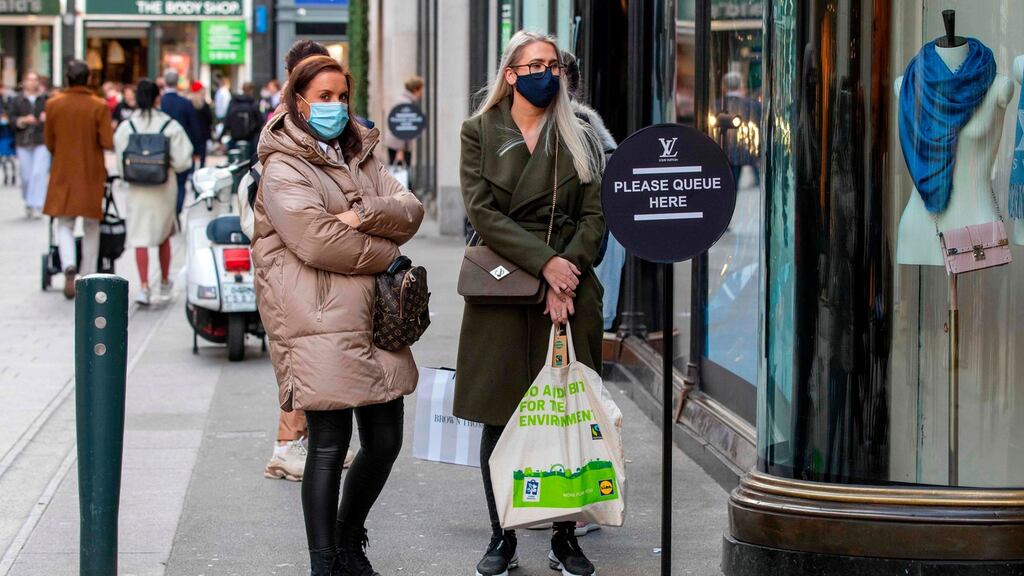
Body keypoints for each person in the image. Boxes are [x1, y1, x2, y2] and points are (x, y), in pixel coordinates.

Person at [252, 55, 424, 576]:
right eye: (324, 97)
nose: (335, 107)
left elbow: (409, 208)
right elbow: (315, 240)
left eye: (342, 96)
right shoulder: (282, 166)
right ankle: (324, 562)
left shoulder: (362, 151)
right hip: (318, 319)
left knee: (386, 440)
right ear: (297, 101)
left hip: (375, 318)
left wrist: (361, 214)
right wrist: (388, 254)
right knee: (329, 445)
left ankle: (350, 541)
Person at [454, 31, 606, 576]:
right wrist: (545, 267)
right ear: (511, 73)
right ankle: (503, 537)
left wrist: (566, 277)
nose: (548, 73)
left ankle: (566, 537)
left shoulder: (580, 131)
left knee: (567, 413)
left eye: (554, 65)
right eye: (535, 64)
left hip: (569, 286)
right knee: (501, 415)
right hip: (504, 285)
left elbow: (596, 214)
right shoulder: (479, 131)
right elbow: (482, 213)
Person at [261, 38, 334, 484]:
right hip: (291, 261)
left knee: (313, 356)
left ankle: (307, 442)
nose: (330, 102)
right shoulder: (283, 127)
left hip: (309, 259)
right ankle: (287, 446)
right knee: (297, 356)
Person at [115, 79, 194, 306]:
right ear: (157, 98)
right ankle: (165, 281)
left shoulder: (126, 127)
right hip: (163, 186)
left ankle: (143, 286)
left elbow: (121, 164)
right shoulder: (169, 125)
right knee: (163, 235)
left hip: (137, 188)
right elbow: (182, 161)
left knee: (140, 237)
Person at [42, 60, 115, 299]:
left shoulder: (53, 105)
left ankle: (68, 265)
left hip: (63, 170)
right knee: (92, 223)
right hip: (91, 171)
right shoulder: (98, 105)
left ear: (67, 78)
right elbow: (107, 142)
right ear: (89, 79)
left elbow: (49, 142)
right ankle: (88, 273)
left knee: (64, 222)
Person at [159, 69, 201, 214]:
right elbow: (195, 127)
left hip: (160, 148)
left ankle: (167, 212)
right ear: (177, 83)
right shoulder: (185, 103)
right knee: (181, 182)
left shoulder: (160, 102)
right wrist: (196, 149)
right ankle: (176, 211)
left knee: (163, 182)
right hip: (181, 148)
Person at [11, 71, 50, 219]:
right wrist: (23, 120)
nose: (32, 83)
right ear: (24, 82)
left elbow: (52, 114)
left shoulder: (45, 99)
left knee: (38, 173)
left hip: (41, 139)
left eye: (35, 80)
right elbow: (12, 119)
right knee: (26, 175)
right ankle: (28, 200)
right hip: (23, 140)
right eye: (29, 79)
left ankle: (38, 203)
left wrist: (46, 117)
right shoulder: (17, 100)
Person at [382, 75, 425, 167]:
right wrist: (400, 151)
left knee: (400, 175)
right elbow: (400, 128)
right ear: (415, 89)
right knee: (401, 176)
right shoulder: (405, 103)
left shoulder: (404, 100)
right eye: (421, 90)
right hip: (399, 147)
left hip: (398, 145)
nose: (422, 93)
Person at [225, 82, 263, 153]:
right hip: (250, 138)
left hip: (234, 136)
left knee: (234, 158)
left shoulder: (234, 102)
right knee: (249, 160)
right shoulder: (253, 103)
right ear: (251, 90)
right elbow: (259, 121)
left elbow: (227, 119)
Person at [188, 81, 213, 168]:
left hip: (191, 132)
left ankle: (192, 171)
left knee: (192, 154)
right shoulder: (204, 104)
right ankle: (201, 169)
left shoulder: (188, 103)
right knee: (202, 155)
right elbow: (209, 119)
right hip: (203, 133)